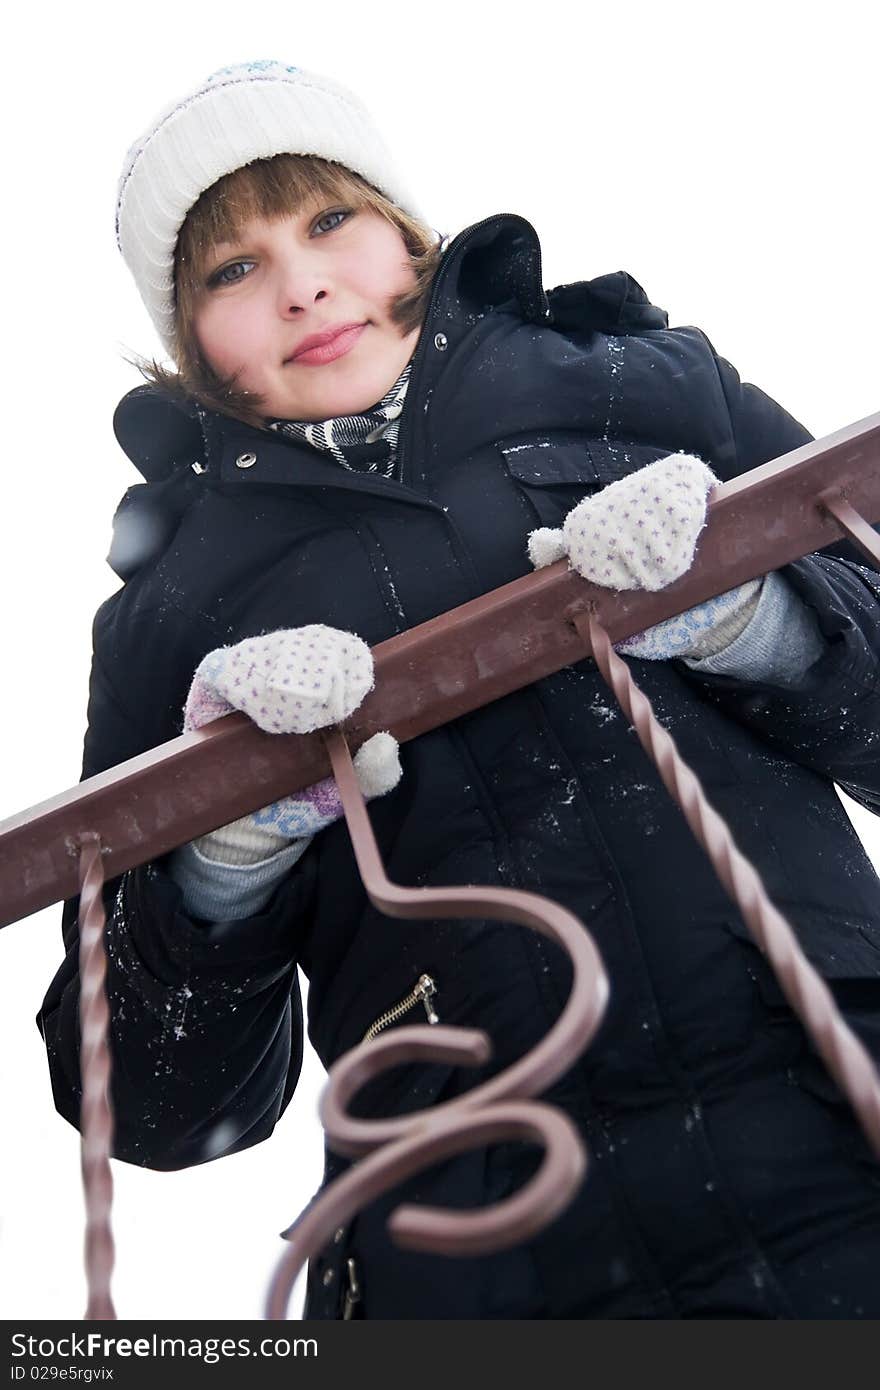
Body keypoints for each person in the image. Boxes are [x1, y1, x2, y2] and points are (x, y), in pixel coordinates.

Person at [39, 60, 880, 1320]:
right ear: (190, 341)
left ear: (404, 230)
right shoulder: (169, 610)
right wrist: (226, 845)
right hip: (476, 1242)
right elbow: (161, 1102)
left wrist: (756, 616)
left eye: (329, 221)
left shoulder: (640, 379)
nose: (302, 284)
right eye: (231, 270)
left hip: (829, 1107)